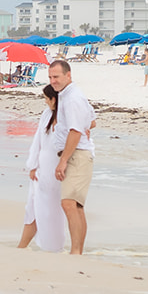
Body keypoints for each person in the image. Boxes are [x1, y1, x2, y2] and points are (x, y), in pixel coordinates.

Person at [49, 60, 96, 255]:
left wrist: (63, 160)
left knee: (69, 203)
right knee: (75, 205)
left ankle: (76, 252)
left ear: (68, 75)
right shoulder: (67, 95)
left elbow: (76, 131)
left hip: (77, 155)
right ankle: (77, 251)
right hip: (76, 153)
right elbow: (91, 121)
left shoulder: (72, 98)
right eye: (50, 77)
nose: (53, 81)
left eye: (57, 77)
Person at [17, 85, 67, 251]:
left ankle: (54, 246)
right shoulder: (46, 115)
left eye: (47, 98)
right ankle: (21, 246)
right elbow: (37, 141)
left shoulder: (66, 117)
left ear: (54, 99)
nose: (45, 101)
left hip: (57, 170)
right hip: (41, 168)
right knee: (32, 207)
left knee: (51, 211)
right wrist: (33, 165)